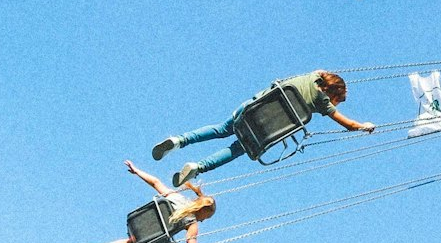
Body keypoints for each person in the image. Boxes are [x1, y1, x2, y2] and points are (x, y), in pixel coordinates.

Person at [153, 71, 375, 185]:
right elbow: (350, 125)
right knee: (237, 149)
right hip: (264, 131)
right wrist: (365, 126)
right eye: (338, 99)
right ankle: (198, 167)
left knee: (221, 129)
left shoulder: (310, 77)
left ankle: (179, 141)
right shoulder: (323, 101)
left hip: (251, 109)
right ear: (333, 93)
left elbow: (320, 70)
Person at [74, 160, 214, 243]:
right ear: (202, 210)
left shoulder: (176, 197)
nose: (203, 221)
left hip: (140, 224)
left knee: (132, 242)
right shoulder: (192, 223)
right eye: (206, 217)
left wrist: (137, 171)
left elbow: (155, 182)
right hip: (151, 239)